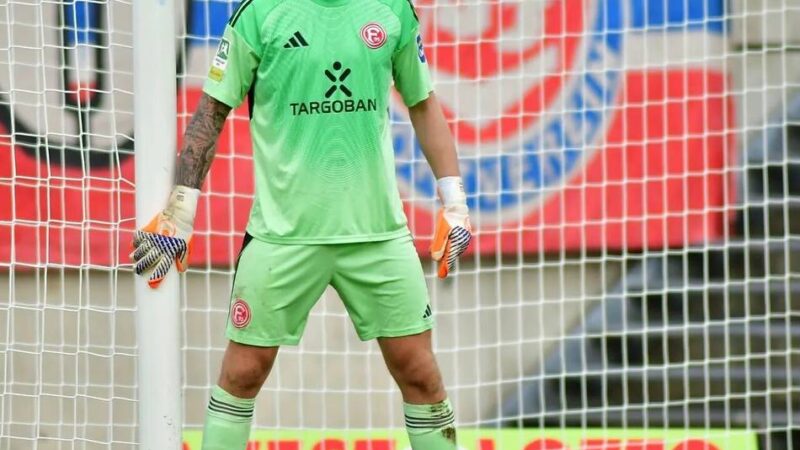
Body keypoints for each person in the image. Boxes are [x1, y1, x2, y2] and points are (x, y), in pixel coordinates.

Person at [131, 0, 471, 448]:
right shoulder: (259, 13)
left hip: (378, 236)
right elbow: (210, 113)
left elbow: (423, 104)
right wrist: (180, 211)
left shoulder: (392, 10)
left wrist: (455, 204)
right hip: (281, 236)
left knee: (421, 374)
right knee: (242, 373)